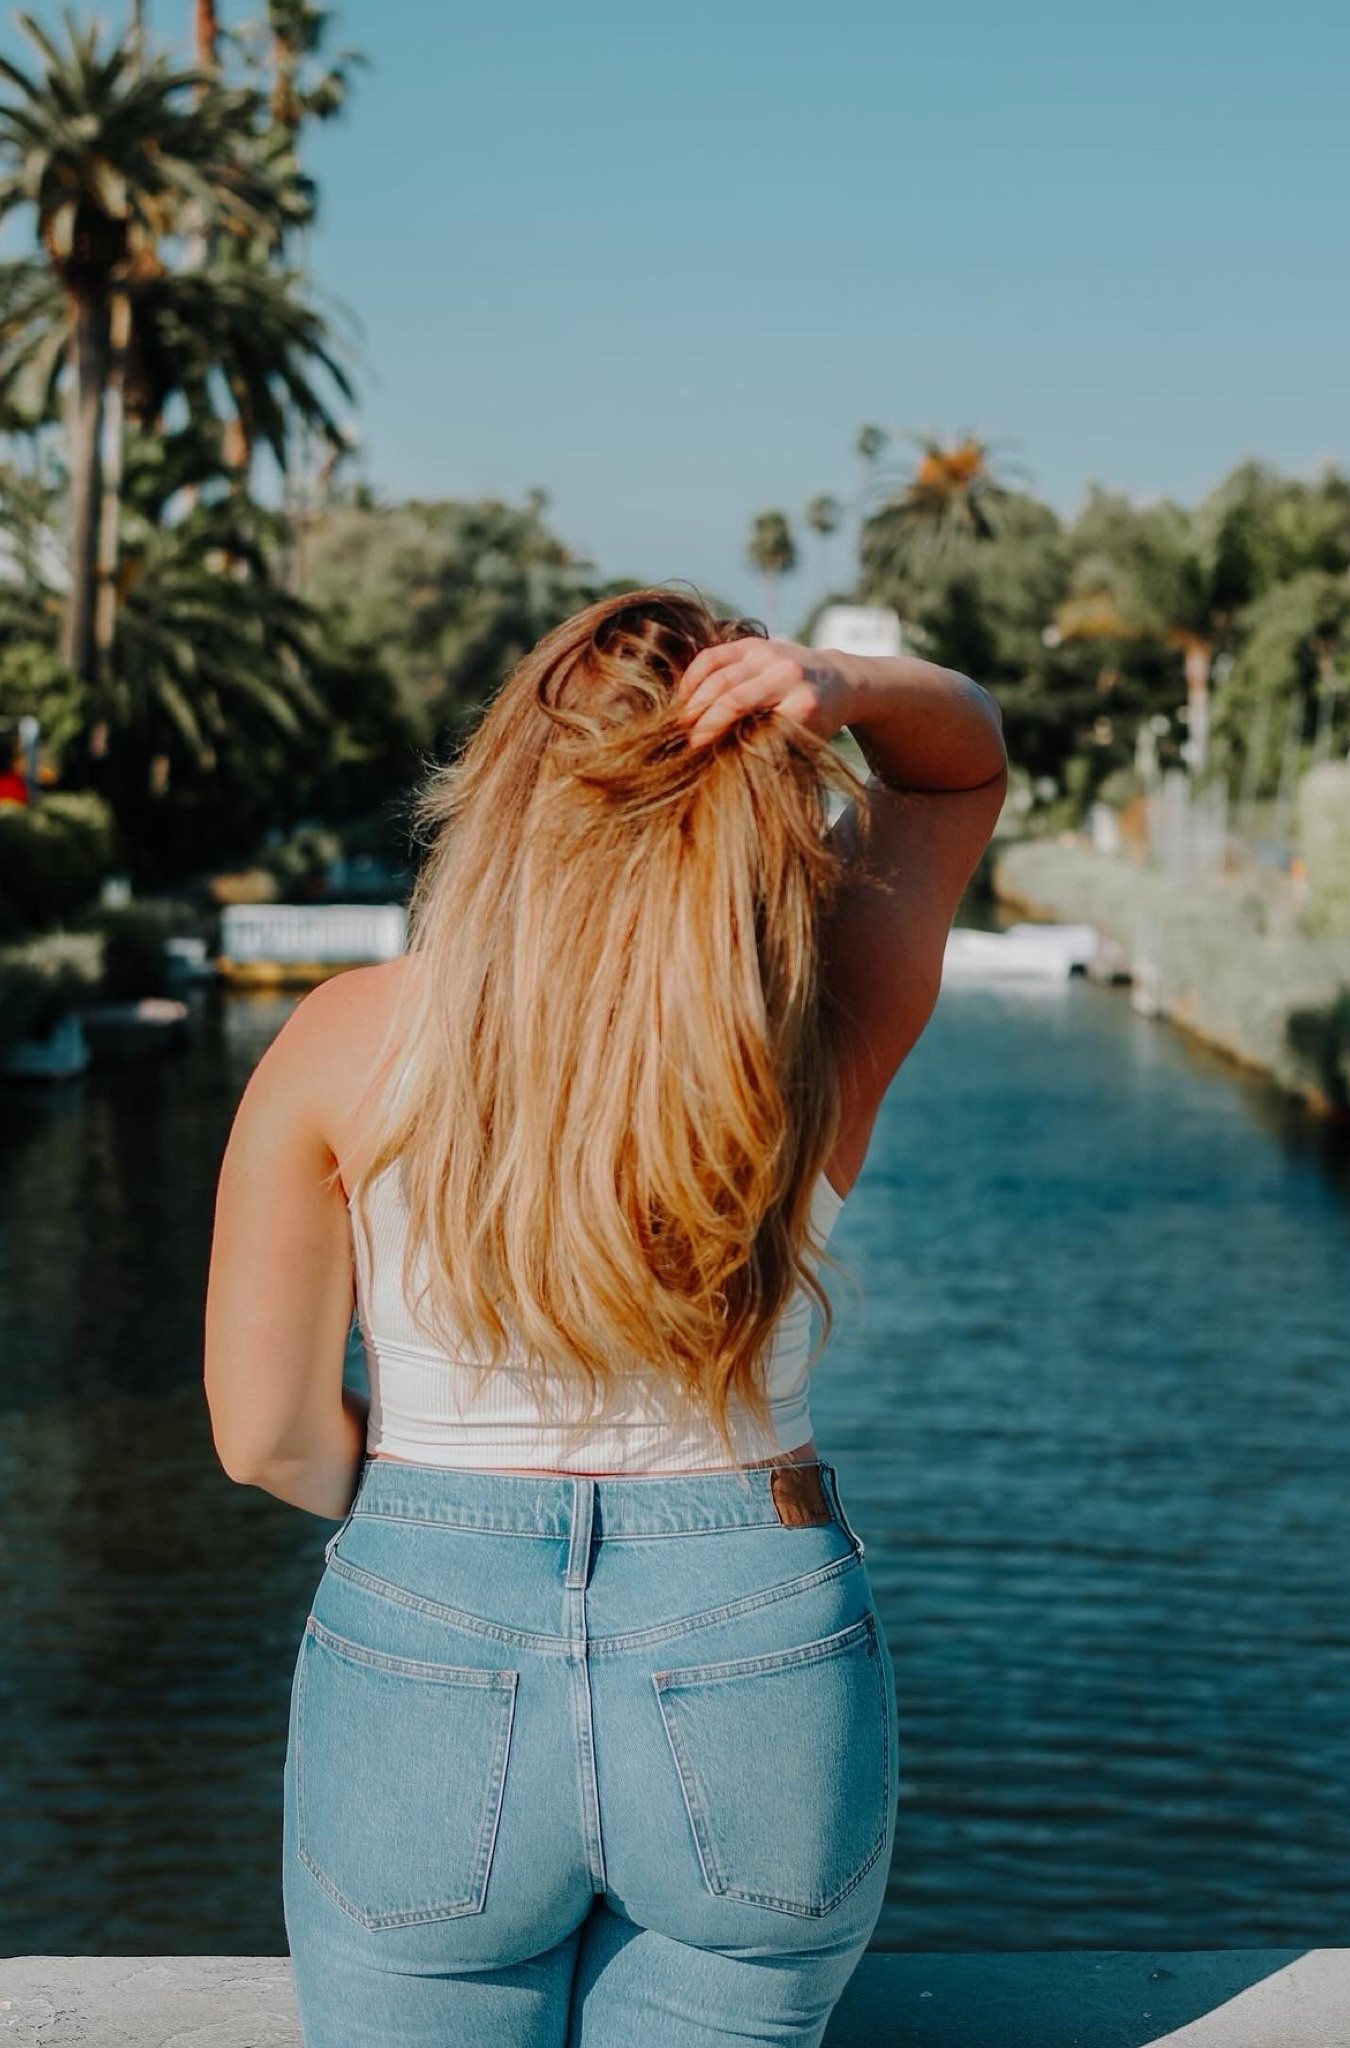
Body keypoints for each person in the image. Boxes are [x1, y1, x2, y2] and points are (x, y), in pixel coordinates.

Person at [203, 588, 1008, 2047]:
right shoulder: (812, 1026)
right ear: (760, 792)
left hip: (424, 1647)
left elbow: (262, 1435)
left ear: (504, 786)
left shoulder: (342, 1039)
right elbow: (956, 762)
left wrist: (435, 1505)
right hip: (758, 1639)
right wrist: (839, 683)